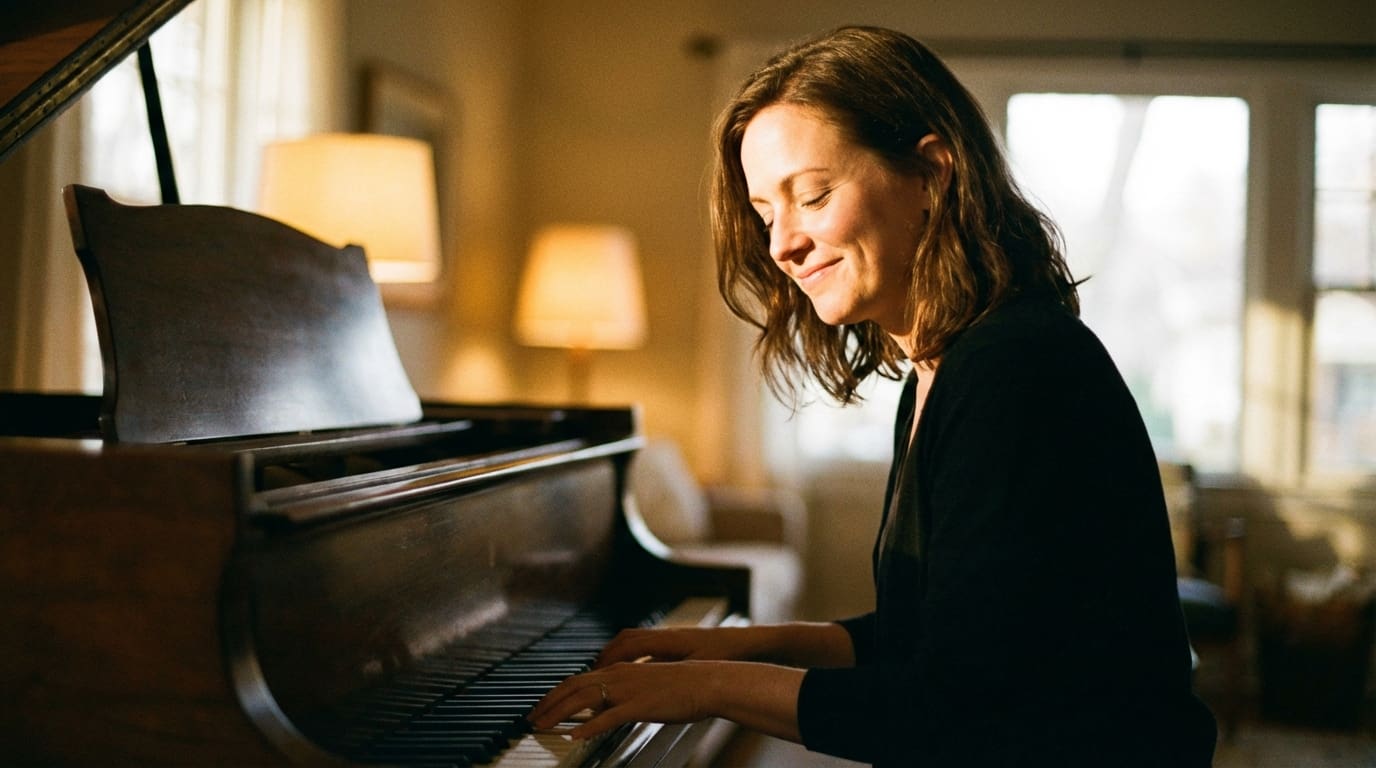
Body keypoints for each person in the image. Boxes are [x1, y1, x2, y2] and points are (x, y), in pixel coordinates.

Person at [528, 25, 1218, 766]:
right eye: (766, 214)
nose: (781, 245)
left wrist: (708, 686)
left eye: (812, 196)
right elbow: (926, 637)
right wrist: (733, 644)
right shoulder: (943, 369)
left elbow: (952, 709)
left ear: (931, 175)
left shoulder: (1015, 369)